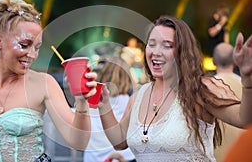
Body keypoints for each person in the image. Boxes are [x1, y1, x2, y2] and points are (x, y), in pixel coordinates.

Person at [0, 0, 97, 162]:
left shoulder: (44, 83)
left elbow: (79, 142)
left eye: (37, 47)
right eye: (24, 45)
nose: (32, 55)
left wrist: (81, 101)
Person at [97, 15, 252, 161]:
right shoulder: (138, 96)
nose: (156, 52)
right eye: (151, 44)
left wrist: (248, 78)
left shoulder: (198, 90)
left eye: (167, 45)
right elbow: (119, 141)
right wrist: (103, 105)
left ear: (181, 52)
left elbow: (244, 119)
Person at [83, 57, 136, 162]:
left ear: (103, 73)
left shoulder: (92, 99)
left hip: (93, 157)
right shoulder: (132, 100)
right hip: (125, 157)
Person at [212, 42, 243, 161]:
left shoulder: (206, 88)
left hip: (217, 155)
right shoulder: (246, 87)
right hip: (244, 154)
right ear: (234, 61)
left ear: (214, 61)